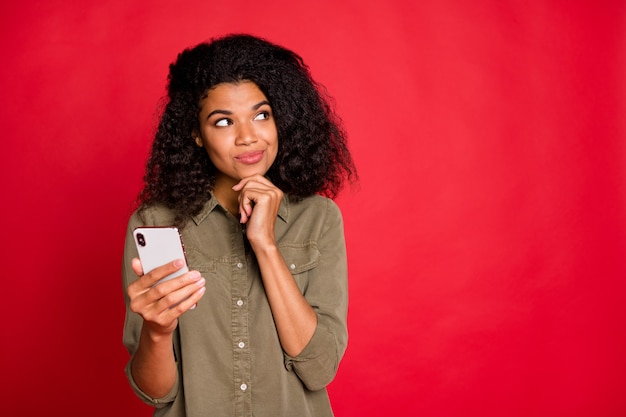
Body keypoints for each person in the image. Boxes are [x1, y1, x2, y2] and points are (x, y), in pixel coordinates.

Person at [121, 33, 357, 417]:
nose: (249, 136)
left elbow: (319, 367)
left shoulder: (319, 218)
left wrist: (265, 244)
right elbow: (156, 394)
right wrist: (158, 331)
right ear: (196, 134)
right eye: (223, 121)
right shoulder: (155, 224)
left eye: (261, 115)